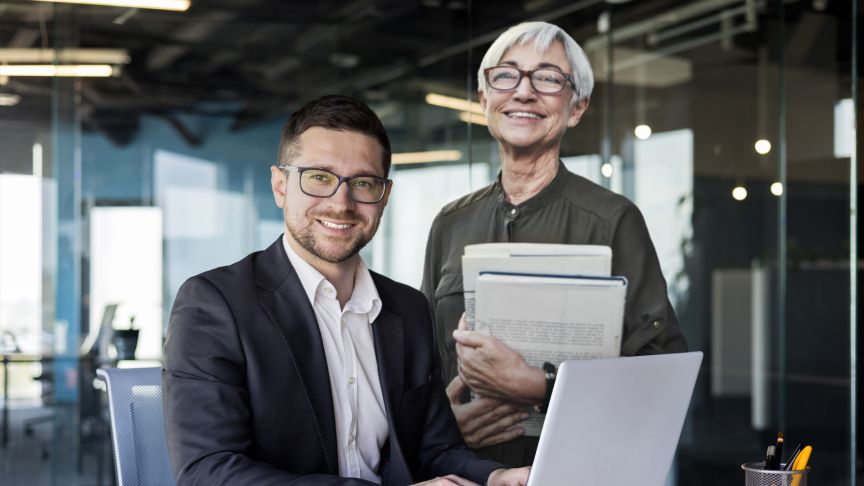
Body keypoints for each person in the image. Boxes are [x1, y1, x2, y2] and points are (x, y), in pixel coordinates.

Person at [162, 95, 529, 486]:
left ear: (383, 197)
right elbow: (209, 471)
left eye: (363, 182)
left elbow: (433, 451)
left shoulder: (407, 308)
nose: (342, 203)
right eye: (319, 177)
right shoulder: (214, 305)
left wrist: (497, 477)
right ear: (280, 185)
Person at [420, 21, 689, 466]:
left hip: (578, 470)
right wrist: (441, 427)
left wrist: (538, 385)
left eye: (547, 78)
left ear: (577, 107)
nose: (524, 92)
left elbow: (662, 377)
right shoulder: (451, 222)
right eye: (506, 75)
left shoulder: (612, 220)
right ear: (485, 99)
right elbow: (424, 368)